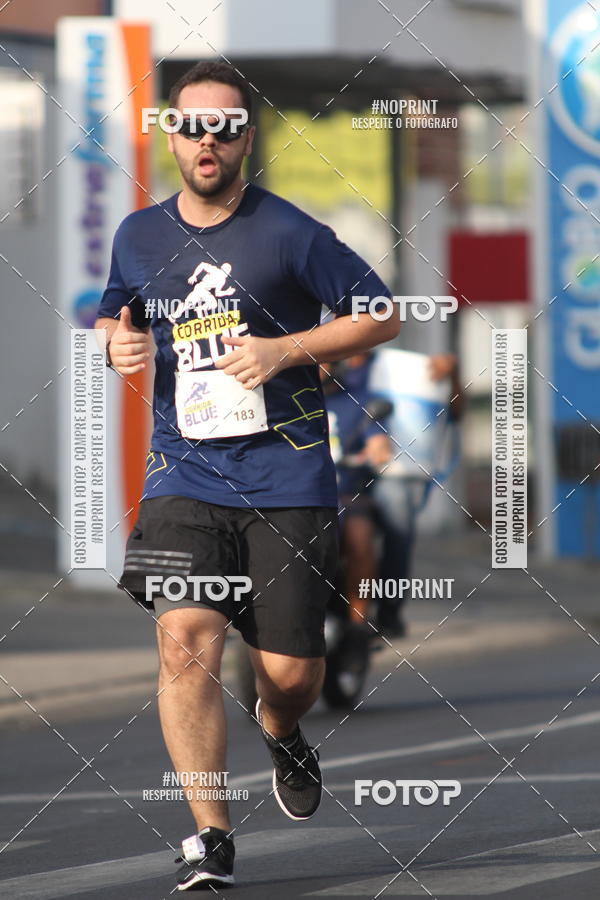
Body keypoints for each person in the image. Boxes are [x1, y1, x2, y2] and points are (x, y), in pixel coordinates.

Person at [95, 60, 399, 891]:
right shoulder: (138, 234)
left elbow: (382, 312)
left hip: (288, 477)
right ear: (170, 134)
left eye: (224, 126)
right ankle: (212, 835)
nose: (206, 139)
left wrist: (281, 350)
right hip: (182, 475)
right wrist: (115, 344)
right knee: (184, 641)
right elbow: (116, 313)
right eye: (190, 125)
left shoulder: (290, 233)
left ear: (246, 138)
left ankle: (281, 728)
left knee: (291, 676)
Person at [372, 352, 463, 636]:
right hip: (346, 469)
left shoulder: (401, 367)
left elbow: (457, 413)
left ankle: (387, 614)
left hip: (399, 472)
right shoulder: (338, 362)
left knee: (397, 534)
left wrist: (453, 375)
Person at [321, 356, 392, 625]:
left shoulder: (359, 400)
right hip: (298, 496)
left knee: (361, 538)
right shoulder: (287, 400)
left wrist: (377, 449)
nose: (316, 366)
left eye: (322, 360)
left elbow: (379, 442)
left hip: (347, 496)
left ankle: (358, 620)